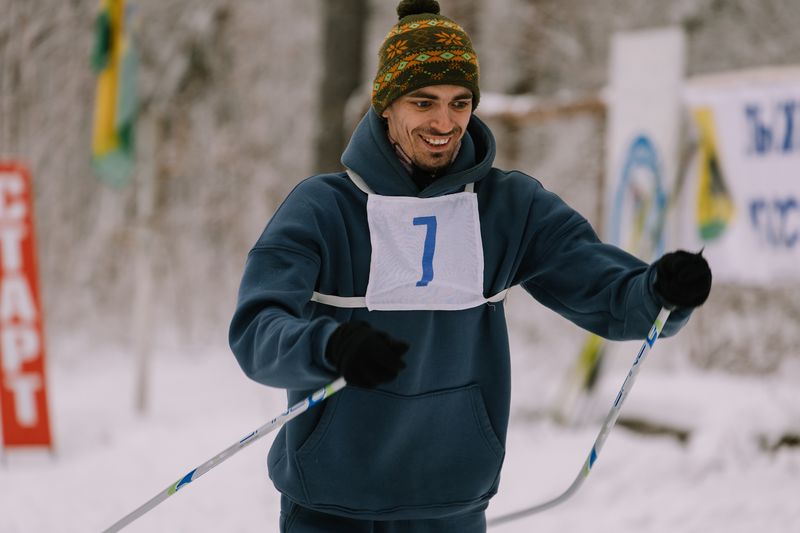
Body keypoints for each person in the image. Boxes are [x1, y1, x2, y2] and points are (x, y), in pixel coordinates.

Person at [229, 0, 712, 531]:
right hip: (330, 504)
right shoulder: (322, 209)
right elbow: (257, 330)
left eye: (460, 103)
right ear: (386, 104)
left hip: (450, 504)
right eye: (423, 101)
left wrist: (663, 291)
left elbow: (613, 297)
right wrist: (329, 346)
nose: (444, 122)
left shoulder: (509, 208)